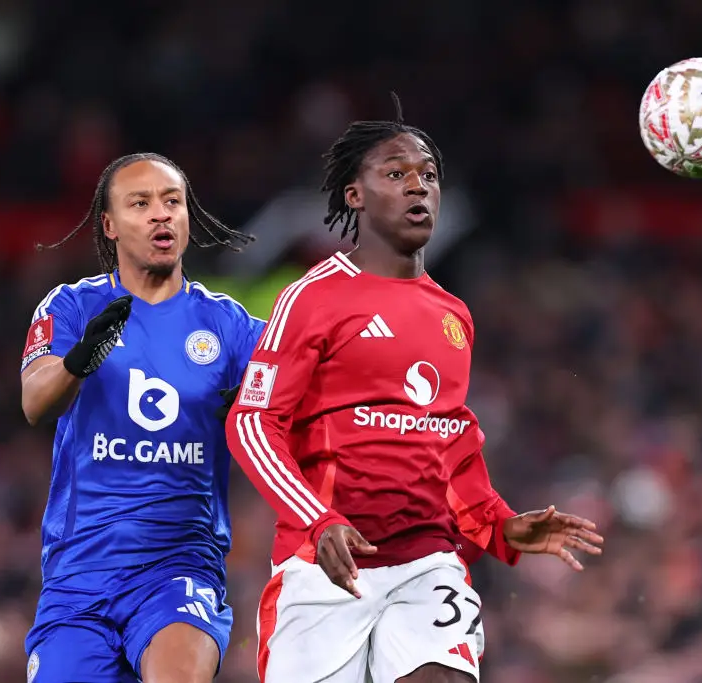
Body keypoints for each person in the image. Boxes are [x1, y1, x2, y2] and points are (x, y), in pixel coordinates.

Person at [224, 101, 605, 683]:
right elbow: (252, 424)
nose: (418, 187)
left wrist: (500, 526)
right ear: (354, 195)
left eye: (428, 175)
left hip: (426, 562)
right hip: (325, 566)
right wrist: (318, 519)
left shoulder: (452, 314)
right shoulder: (312, 297)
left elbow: (448, 443)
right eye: (396, 174)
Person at [20, 152, 264, 683]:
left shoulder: (230, 326)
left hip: (179, 568)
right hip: (78, 577)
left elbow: (292, 400)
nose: (161, 214)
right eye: (141, 203)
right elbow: (36, 402)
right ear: (108, 226)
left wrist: (255, 409)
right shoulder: (71, 307)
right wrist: (80, 360)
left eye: (172, 202)